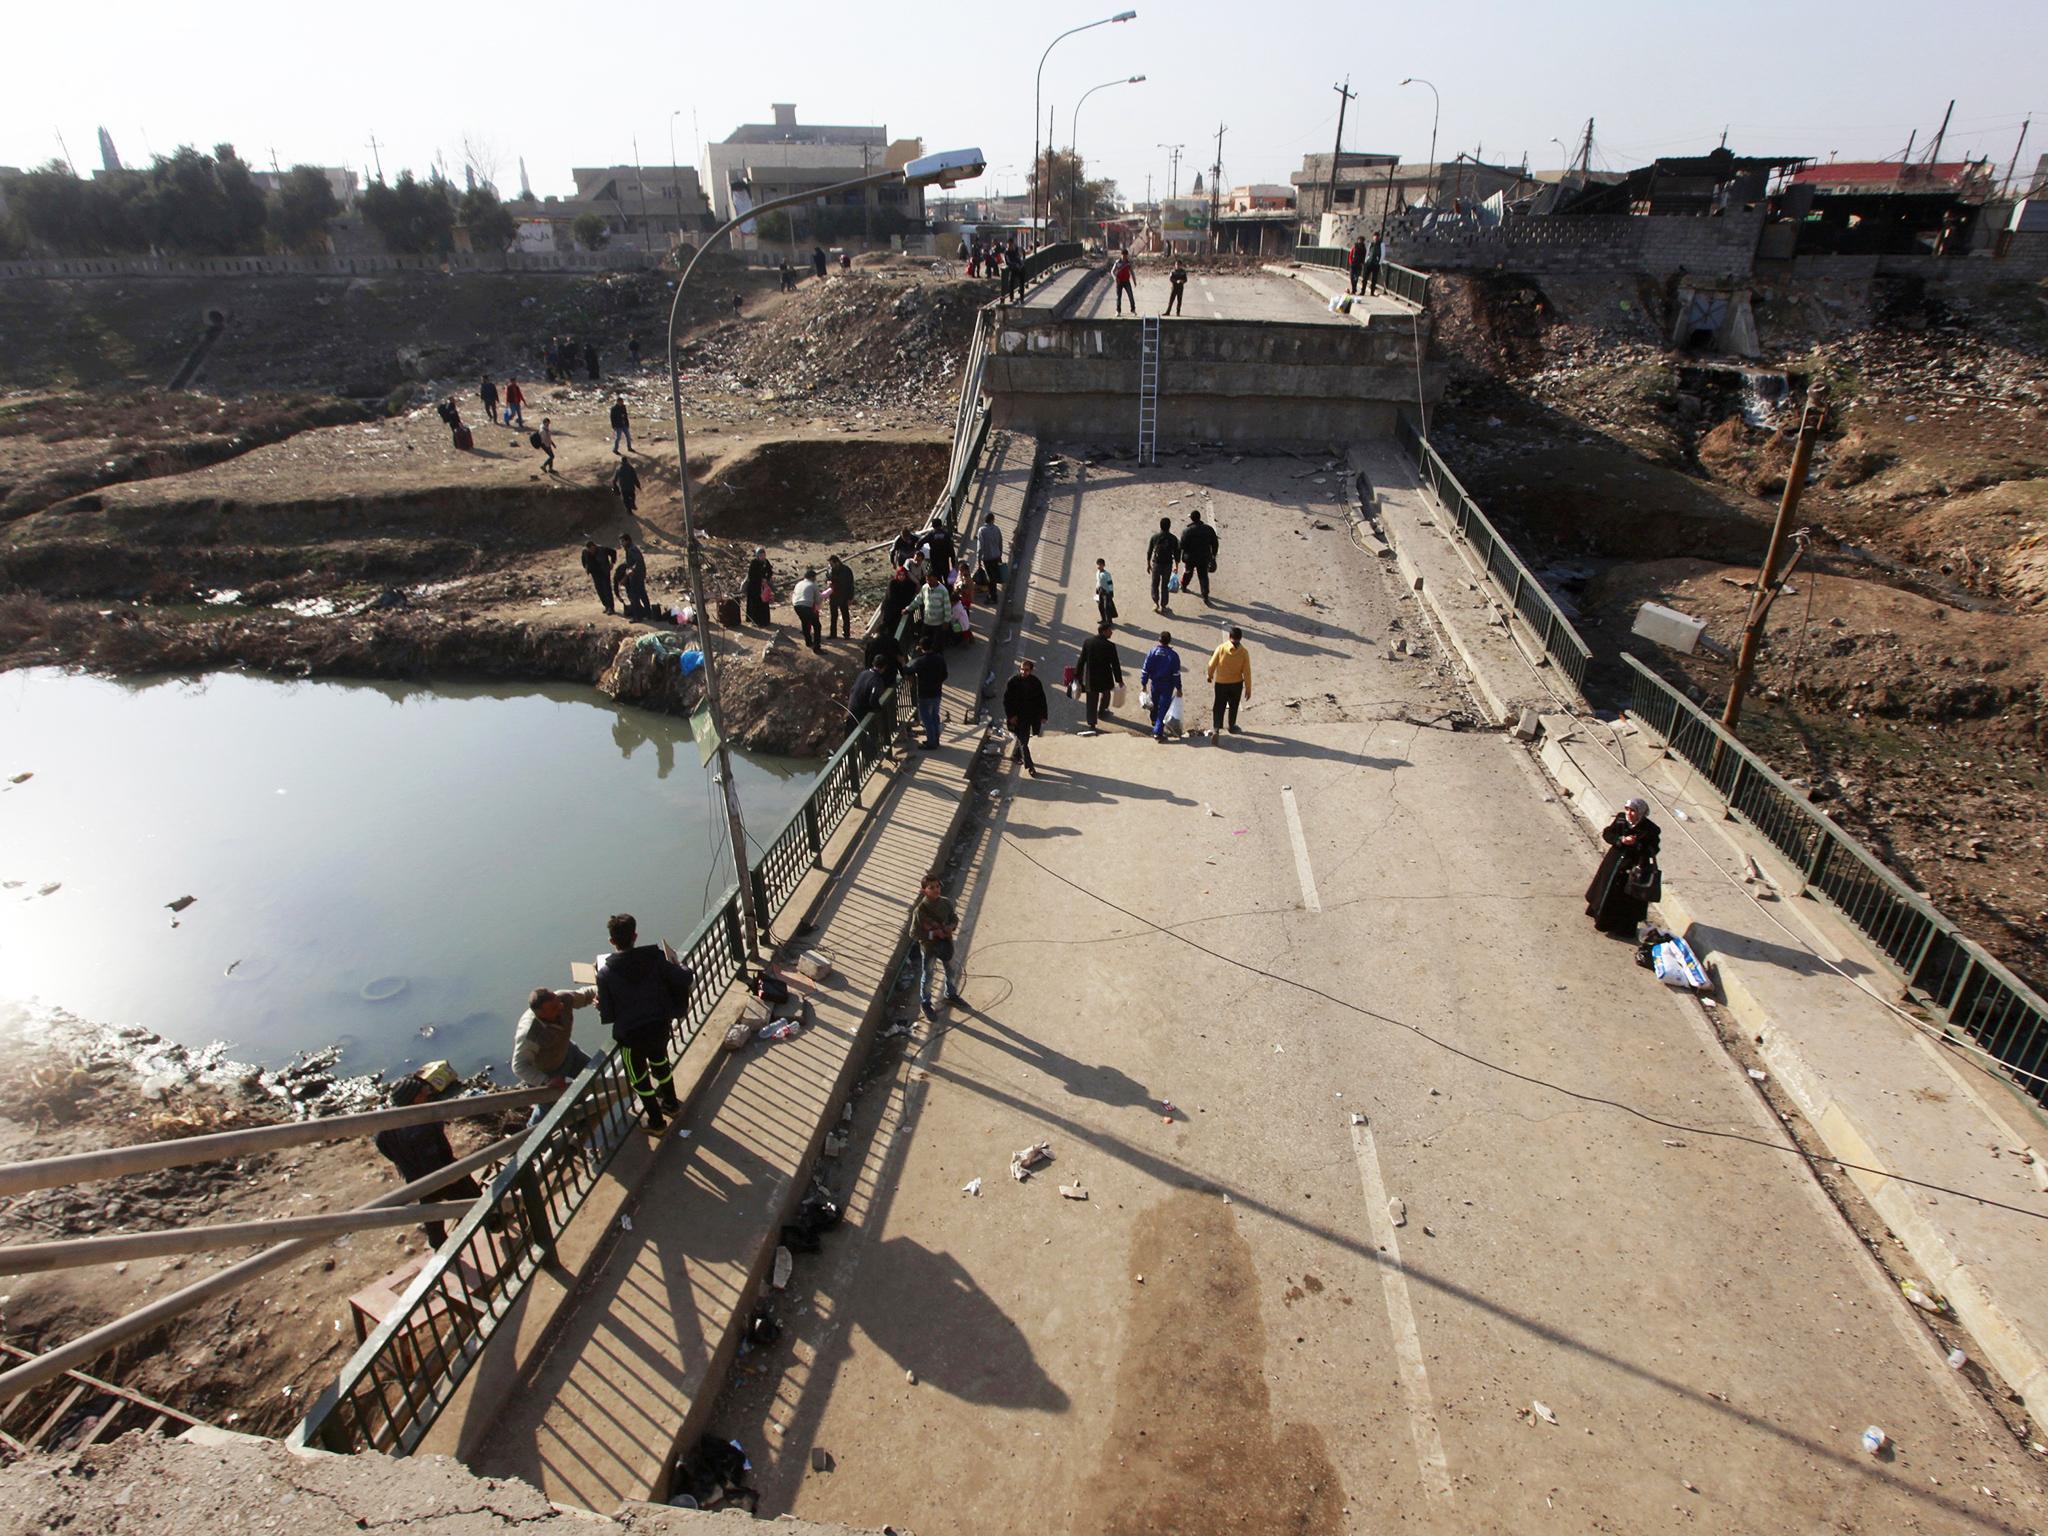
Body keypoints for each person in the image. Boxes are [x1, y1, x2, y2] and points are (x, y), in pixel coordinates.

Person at [595, 913, 692, 1130]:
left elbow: (608, 1015)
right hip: (659, 1027)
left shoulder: (605, 974)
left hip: (631, 1037)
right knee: (660, 1063)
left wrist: (599, 1004)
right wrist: (680, 965)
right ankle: (671, 1104)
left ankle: (656, 1123)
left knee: (639, 1079)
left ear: (612, 941)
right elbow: (684, 978)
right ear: (635, 935)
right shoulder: (655, 958)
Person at [372, 1063, 483, 1248]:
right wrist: (449, 1177)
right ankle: (493, 1222)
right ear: (414, 1099)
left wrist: (403, 1162)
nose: (427, 1093)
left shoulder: (385, 1126)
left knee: (431, 1212)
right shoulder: (424, 1124)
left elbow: (384, 1147)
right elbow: (433, 1158)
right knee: (474, 1199)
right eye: (422, 1092)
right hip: (442, 1173)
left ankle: (438, 1243)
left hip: (415, 1178)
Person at [512, 987, 596, 1124]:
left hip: (568, 1054)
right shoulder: (530, 1033)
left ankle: (585, 1112)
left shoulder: (563, 999)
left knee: (596, 1077)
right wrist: (546, 1080)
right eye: (554, 1007)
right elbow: (519, 1066)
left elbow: (587, 994)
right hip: (547, 1072)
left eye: (558, 1002)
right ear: (541, 1014)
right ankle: (530, 1137)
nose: (561, 1007)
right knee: (549, 1111)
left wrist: (602, 992)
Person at [1586, 797, 1662, 936]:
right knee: (1606, 891)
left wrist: (1637, 844)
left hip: (1632, 869)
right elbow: (1608, 833)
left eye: (1633, 811)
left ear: (1641, 812)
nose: (1629, 813)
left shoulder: (1651, 830)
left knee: (1626, 900)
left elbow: (1653, 849)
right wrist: (1621, 840)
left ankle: (1622, 929)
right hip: (1614, 863)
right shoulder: (1621, 820)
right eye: (1627, 809)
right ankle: (1600, 919)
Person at [908, 872, 963, 1019]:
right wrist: (933, 934)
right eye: (931, 887)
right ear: (924, 891)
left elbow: (954, 918)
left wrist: (951, 927)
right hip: (929, 948)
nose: (936, 889)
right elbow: (913, 933)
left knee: (951, 971)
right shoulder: (920, 911)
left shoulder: (945, 903)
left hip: (946, 944)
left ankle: (951, 994)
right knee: (928, 975)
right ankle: (926, 1003)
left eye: (937, 886)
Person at [1003, 657, 1049, 777]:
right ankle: (1030, 766)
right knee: (1023, 742)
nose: (1024, 672)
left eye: (1026, 670)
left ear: (1031, 671)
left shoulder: (1035, 682)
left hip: (1031, 717)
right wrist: (1011, 716)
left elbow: (1041, 700)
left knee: (1024, 740)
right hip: (1017, 718)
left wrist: (1043, 715)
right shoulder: (1012, 682)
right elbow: (1007, 701)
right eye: (1022, 669)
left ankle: (1016, 755)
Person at [1075, 620, 1124, 731]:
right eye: (1110, 631)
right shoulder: (1110, 646)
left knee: (1091, 701)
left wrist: (1077, 676)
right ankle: (1102, 711)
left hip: (1091, 678)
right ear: (1104, 631)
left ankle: (1092, 724)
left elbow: (1081, 660)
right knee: (1106, 695)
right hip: (1105, 678)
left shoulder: (1088, 642)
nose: (1111, 633)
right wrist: (1119, 680)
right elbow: (1115, 664)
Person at [1205, 626, 1252, 738]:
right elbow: (1247, 672)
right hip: (1236, 684)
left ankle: (1216, 728)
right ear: (1240, 638)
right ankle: (1232, 726)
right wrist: (1248, 688)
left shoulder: (1221, 648)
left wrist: (1209, 675)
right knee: (1234, 705)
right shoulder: (1244, 652)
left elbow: (1211, 664)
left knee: (1219, 705)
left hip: (1221, 683)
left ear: (1230, 637)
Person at [905, 639, 949, 749]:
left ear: (921, 647)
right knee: (935, 716)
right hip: (937, 692)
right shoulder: (940, 659)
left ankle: (931, 742)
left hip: (924, 693)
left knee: (926, 718)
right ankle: (936, 738)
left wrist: (902, 664)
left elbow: (909, 671)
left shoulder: (920, 661)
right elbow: (945, 675)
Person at [1139, 630, 1182, 742]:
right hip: (1167, 686)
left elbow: (1145, 669)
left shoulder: (1152, 652)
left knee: (1155, 703)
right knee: (1163, 708)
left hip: (1155, 684)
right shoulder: (1173, 656)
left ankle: (1154, 722)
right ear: (1169, 641)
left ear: (1159, 640)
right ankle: (1158, 732)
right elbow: (1176, 674)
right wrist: (1179, 688)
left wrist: (1143, 684)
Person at [1179, 508, 1219, 604]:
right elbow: (1215, 543)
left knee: (1188, 572)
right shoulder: (1208, 529)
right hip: (1204, 557)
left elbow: (1182, 546)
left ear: (1192, 519)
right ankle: (1205, 595)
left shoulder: (1187, 531)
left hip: (1190, 557)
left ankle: (1184, 586)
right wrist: (1213, 555)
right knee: (1203, 576)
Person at [1146, 516, 1181, 614]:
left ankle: (1156, 603)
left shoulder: (1155, 537)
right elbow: (1177, 553)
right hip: (1168, 564)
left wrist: (1148, 564)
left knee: (1155, 584)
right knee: (1165, 586)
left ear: (1160, 526)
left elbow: (1149, 551)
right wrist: (1176, 566)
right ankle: (1164, 606)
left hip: (1156, 564)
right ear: (1169, 526)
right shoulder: (1173, 538)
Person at [914, 567, 952, 652]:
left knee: (937, 644)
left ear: (936, 579)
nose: (929, 582)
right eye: (927, 580)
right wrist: (908, 609)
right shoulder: (925, 588)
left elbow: (947, 607)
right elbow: (918, 599)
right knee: (924, 642)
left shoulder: (943, 591)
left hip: (938, 623)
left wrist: (946, 621)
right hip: (927, 621)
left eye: (930, 580)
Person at [616, 532, 650, 619]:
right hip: (638, 575)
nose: (621, 544)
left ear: (627, 541)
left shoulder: (631, 549)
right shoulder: (630, 549)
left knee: (634, 596)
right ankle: (648, 613)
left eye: (622, 542)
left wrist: (631, 571)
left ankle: (637, 616)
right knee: (642, 594)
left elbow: (637, 562)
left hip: (636, 576)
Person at [879, 564, 917, 638]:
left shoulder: (909, 585)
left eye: (903, 575)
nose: (901, 577)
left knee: (894, 628)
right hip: (889, 609)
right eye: (900, 575)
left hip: (900, 610)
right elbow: (892, 597)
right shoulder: (893, 583)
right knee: (885, 626)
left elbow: (908, 597)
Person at [581, 539, 617, 615]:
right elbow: (584, 560)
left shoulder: (602, 549)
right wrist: (586, 567)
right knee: (600, 590)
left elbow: (613, 552)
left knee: (607, 590)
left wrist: (612, 563)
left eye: (592, 549)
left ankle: (611, 608)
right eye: (589, 550)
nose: (591, 551)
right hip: (595, 573)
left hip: (604, 572)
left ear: (594, 546)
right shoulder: (585, 552)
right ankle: (606, 606)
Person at [791, 567, 823, 652]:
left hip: (796, 605)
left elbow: (793, 595)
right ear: (812, 577)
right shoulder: (813, 585)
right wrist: (822, 597)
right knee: (817, 626)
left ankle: (808, 642)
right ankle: (817, 648)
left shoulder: (798, 584)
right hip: (806, 606)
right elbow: (817, 600)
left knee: (805, 622)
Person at [976, 517, 1005, 603]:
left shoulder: (982, 530)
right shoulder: (996, 528)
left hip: (987, 558)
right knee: (994, 577)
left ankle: (993, 597)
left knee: (990, 577)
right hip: (996, 556)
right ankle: (993, 595)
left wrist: (978, 559)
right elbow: (1000, 543)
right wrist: (1000, 555)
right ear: (992, 520)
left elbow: (980, 547)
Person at [826, 553, 855, 639]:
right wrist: (828, 583)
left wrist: (850, 597)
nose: (830, 566)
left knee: (845, 614)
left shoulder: (846, 570)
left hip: (843, 595)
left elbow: (850, 584)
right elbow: (827, 578)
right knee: (833, 615)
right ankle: (833, 634)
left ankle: (846, 633)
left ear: (837, 562)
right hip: (833, 594)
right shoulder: (830, 570)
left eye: (832, 564)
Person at [745, 548, 774, 627]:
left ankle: (764, 621)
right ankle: (755, 621)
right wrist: (760, 579)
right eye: (761, 555)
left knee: (764, 602)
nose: (762, 557)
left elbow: (770, 572)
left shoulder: (766, 562)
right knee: (755, 604)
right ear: (757, 556)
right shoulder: (754, 562)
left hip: (763, 586)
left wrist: (766, 579)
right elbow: (751, 575)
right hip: (754, 586)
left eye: (764, 555)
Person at [1094, 558, 1118, 625]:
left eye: (1100, 564)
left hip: (1106, 593)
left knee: (1106, 607)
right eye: (1098, 564)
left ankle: (1109, 622)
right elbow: (1098, 582)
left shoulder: (1107, 574)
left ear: (1104, 565)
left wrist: (1111, 593)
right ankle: (1103, 619)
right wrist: (1096, 592)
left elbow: (1110, 584)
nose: (1099, 566)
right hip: (1099, 591)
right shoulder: (1097, 573)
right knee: (1100, 605)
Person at [1112, 249, 1136, 314]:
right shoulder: (1117, 262)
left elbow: (1132, 272)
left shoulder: (1128, 263)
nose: (1124, 257)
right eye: (1123, 255)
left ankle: (1133, 309)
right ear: (1121, 255)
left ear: (1127, 256)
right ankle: (1118, 310)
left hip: (1126, 281)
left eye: (1125, 256)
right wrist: (1115, 278)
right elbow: (1112, 271)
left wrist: (1134, 281)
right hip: (1119, 282)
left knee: (1130, 295)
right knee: (1118, 297)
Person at [1363, 229, 1385, 296]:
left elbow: (1383, 254)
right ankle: (1362, 291)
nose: (1375, 238)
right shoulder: (1371, 244)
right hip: (1369, 262)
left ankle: (1372, 292)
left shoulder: (1381, 244)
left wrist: (1379, 262)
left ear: (1378, 237)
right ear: (1373, 237)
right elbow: (1367, 252)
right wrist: (1365, 260)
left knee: (1374, 279)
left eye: (1377, 237)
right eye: (1374, 237)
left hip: (1376, 263)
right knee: (1365, 278)